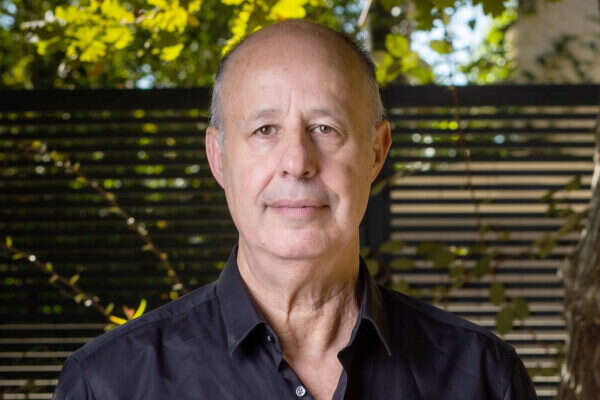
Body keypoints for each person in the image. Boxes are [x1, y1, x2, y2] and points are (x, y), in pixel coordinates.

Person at [53, 19, 538, 400]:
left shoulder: (484, 379)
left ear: (377, 151)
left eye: (325, 128)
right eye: (265, 130)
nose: (298, 162)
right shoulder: (109, 385)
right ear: (218, 157)